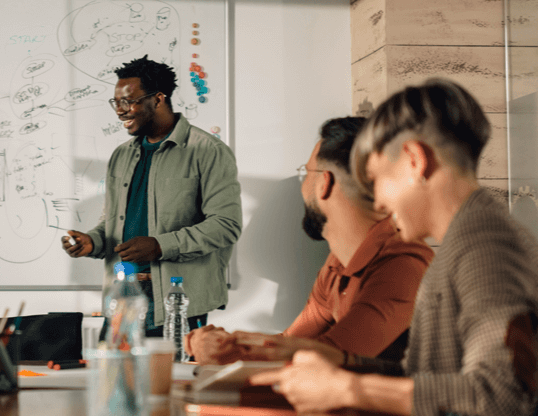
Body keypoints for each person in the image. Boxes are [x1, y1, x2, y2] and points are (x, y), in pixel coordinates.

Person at [251, 79, 538, 416]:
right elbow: (428, 380)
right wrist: (342, 361)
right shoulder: (464, 240)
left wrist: (348, 388)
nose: (378, 202)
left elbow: (500, 399)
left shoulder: (485, 245)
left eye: (376, 179)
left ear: (416, 161)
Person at [185, 117, 434, 364]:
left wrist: (225, 350)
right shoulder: (337, 263)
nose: (302, 186)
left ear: (324, 183)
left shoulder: (403, 264)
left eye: (305, 174)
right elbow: (292, 342)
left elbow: (329, 357)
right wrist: (219, 343)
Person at [62, 56, 242, 335]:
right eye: (116, 102)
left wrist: (160, 245)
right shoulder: (122, 155)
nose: (120, 111)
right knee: (113, 365)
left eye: (128, 101)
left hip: (177, 302)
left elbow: (225, 225)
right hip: (122, 297)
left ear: (158, 99)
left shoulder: (208, 151)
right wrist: (93, 242)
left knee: (173, 366)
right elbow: (112, 222)